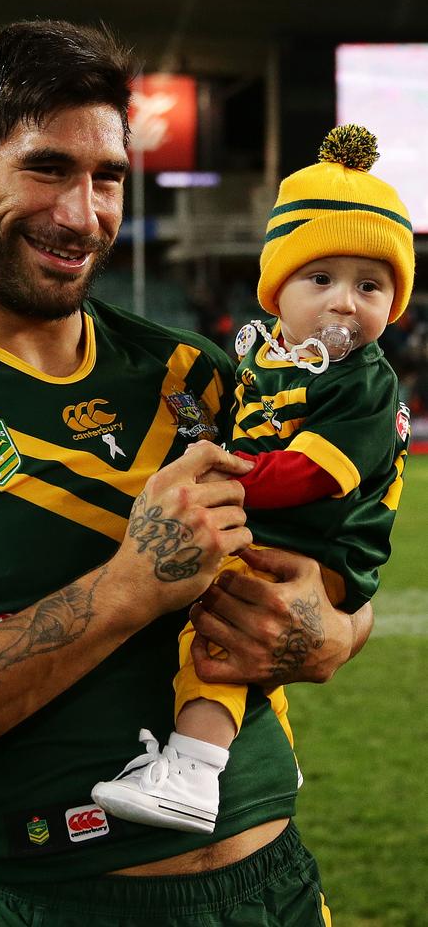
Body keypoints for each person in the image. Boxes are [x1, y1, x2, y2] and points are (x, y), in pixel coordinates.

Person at [0, 21, 373, 927]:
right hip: (59, 900)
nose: (83, 213)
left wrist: (333, 631)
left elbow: (336, 554)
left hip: (274, 887)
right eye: (46, 169)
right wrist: (126, 590)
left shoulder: (195, 374)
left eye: (107, 179)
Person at [92, 124, 414, 838]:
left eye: (370, 286)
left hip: (323, 556)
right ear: (277, 290)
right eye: (320, 279)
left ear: (392, 305)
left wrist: (223, 482)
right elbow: (232, 425)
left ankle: (194, 773)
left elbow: (309, 472)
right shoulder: (272, 360)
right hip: (287, 537)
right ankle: (266, 757)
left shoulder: (363, 381)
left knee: (215, 626)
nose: (343, 303)